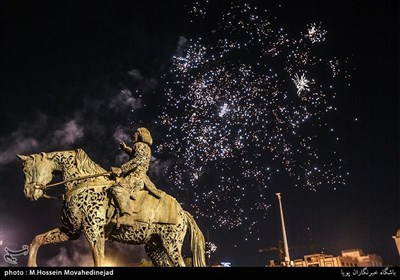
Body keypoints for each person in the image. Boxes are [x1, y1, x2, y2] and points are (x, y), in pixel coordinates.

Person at [110, 127, 163, 227]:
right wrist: (126, 149)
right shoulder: (143, 147)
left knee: (118, 189)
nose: (134, 135)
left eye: (136, 133)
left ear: (140, 136)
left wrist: (121, 169)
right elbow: (136, 155)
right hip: (138, 176)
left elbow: (138, 159)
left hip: (136, 177)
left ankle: (127, 216)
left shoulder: (139, 145)